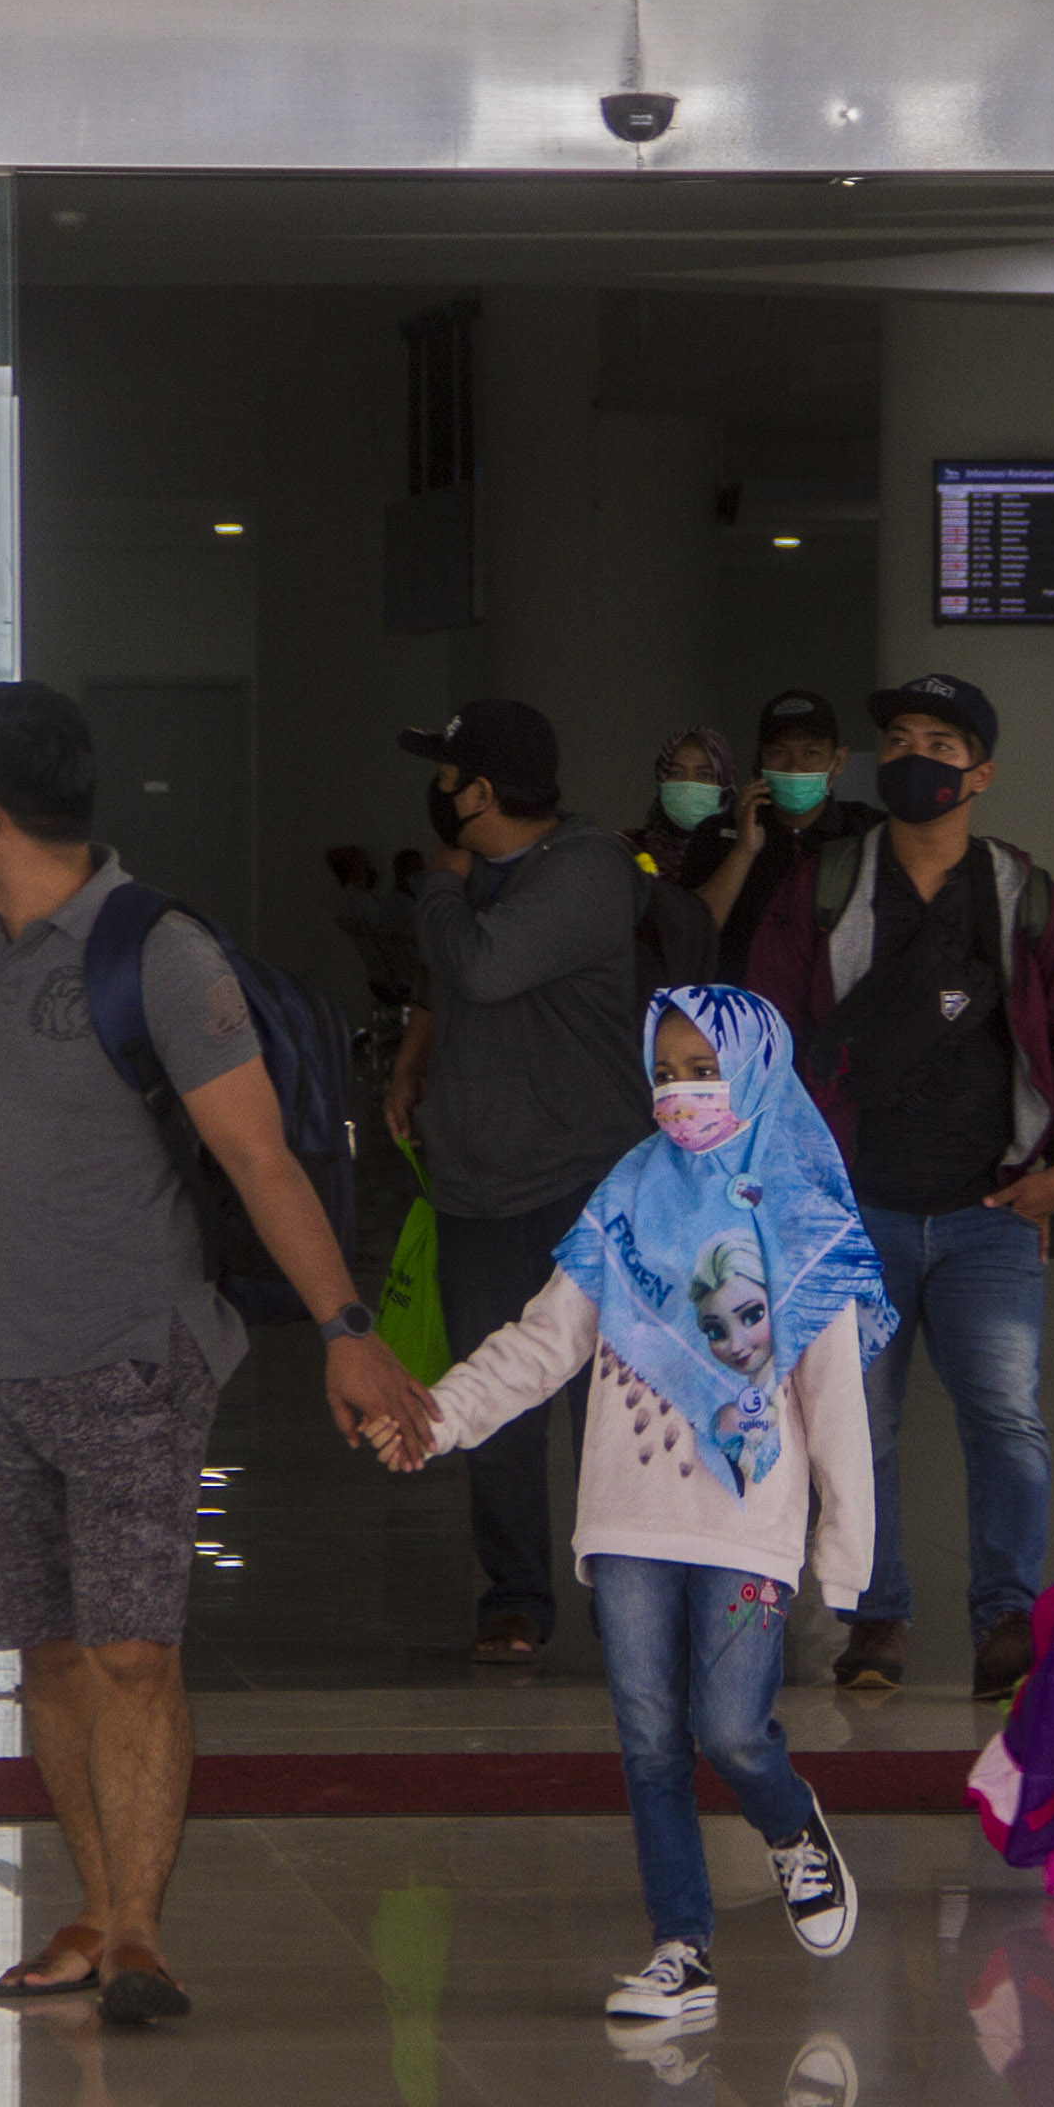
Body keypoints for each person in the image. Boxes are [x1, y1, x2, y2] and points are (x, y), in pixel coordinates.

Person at [0, 681, 434, 2018]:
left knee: (134, 1646)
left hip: (137, 1347)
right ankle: (88, 1909)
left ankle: (140, 1931)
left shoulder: (158, 951)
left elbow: (259, 1156)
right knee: (43, 1649)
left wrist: (347, 1330)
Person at [368, 986, 883, 2027]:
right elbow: (542, 1341)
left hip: (747, 1517)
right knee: (649, 1740)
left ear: (756, 1070)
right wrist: (444, 1413)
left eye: (704, 1070)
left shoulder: (801, 1213)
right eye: (667, 1070)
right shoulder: (624, 1195)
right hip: (627, 1515)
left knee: (731, 1732)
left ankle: (791, 1829)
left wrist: (847, 1548)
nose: (681, 1092)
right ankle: (678, 1949)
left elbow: (834, 1403)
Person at [746, 672, 1054, 1700]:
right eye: (897, 738)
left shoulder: (1024, 894)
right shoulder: (824, 885)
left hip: (988, 1211)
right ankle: (876, 1622)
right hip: (849, 1211)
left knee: (1006, 1418)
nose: (915, 758)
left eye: (940, 745)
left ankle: (1006, 1622)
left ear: (979, 774)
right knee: (858, 1426)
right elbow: (763, 1031)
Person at [379, 697, 655, 1664]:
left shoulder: (586, 870)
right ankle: (515, 1596)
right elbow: (447, 981)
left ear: (482, 792)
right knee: (489, 1394)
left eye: (448, 776)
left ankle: (631, 1594)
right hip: (476, 1183)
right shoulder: (475, 886)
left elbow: (487, 966)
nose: (439, 793)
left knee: (607, 1404)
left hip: (583, 1180)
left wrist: (441, 884)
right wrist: (415, 1051)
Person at [696, 688, 886, 976]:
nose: (795, 766)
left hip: (836, 1012)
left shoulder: (869, 832)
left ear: (839, 761)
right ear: (760, 761)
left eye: (812, 753)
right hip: (743, 1011)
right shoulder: (718, 835)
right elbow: (693, 939)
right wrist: (743, 850)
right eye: (779, 752)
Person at [631, 726, 742, 886]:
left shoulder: (741, 853)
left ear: (725, 784)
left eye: (704, 775)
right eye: (676, 773)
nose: (689, 785)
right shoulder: (634, 850)